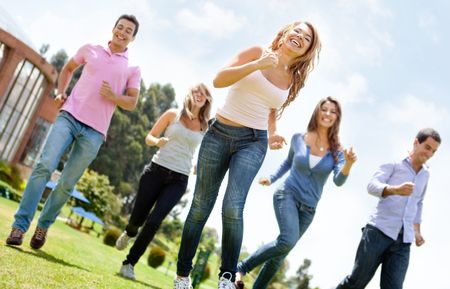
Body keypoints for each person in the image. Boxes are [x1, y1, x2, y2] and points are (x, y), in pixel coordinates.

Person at [174, 20, 322, 289]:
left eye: (307, 38)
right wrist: (257, 65)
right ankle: (183, 276)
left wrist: (273, 131)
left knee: (233, 206)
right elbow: (219, 80)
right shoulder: (257, 52)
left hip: (253, 142)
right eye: (297, 31)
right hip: (219, 133)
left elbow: (269, 106)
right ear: (286, 33)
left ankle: (227, 277)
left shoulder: (292, 78)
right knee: (200, 206)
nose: (300, 37)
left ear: (307, 51)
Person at [6, 15, 141, 249]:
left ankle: (43, 226)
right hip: (69, 115)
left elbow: (132, 102)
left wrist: (114, 97)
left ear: (133, 38)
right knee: (44, 165)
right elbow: (68, 68)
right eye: (119, 27)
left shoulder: (132, 68)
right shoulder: (91, 49)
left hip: (95, 131)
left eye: (128, 30)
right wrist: (61, 92)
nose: (122, 32)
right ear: (113, 28)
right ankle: (19, 227)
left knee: (67, 183)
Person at [235, 96, 357, 289]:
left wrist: (348, 164)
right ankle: (241, 268)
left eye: (333, 111)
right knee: (287, 240)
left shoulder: (338, 151)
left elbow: (338, 181)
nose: (327, 114)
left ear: (337, 117)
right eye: (324, 109)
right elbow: (288, 162)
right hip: (287, 194)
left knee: (280, 255)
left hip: (308, 209)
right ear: (317, 112)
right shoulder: (298, 138)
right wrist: (272, 178)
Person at [115, 83, 213, 280]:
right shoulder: (172, 114)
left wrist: (199, 166)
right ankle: (130, 231)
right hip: (156, 171)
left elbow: (207, 151)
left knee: (154, 221)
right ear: (189, 94)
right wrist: (156, 141)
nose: (199, 95)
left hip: (179, 179)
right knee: (138, 217)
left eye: (203, 93)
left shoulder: (206, 126)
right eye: (195, 91)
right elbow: (149, 136)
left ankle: (129, 263)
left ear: (207, 100)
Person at [336, 128, 441, 289]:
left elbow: (418, 202)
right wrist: (395, 189)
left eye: (433, 151)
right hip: (378, 232)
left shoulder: (426, 174)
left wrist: (417, 230)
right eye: (427, 147)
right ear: (416, 142)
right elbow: (372, 186)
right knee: (356, 282)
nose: (429, 154)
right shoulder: (395, 162)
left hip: (403, 241)